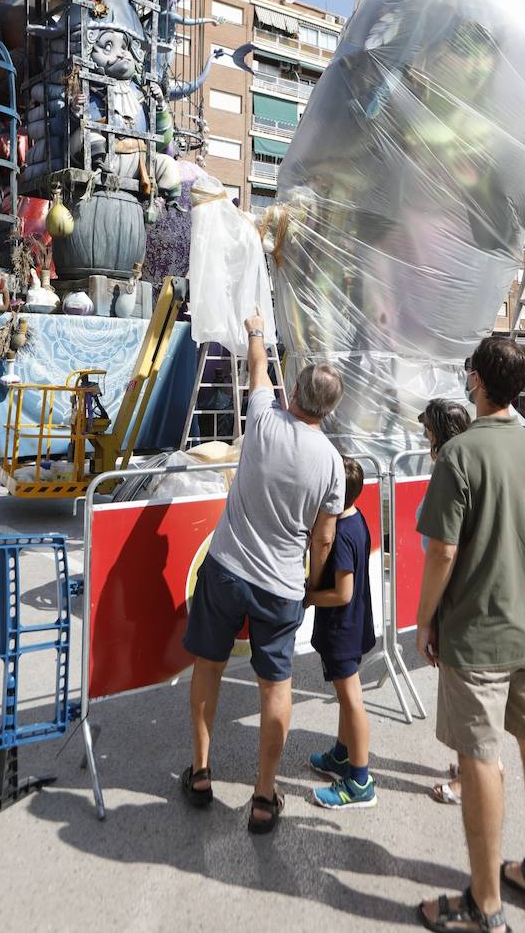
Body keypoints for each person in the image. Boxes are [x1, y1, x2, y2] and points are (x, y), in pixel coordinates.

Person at [416, 336, 525, 932]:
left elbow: (442, 552)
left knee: (479, 755)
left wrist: (425, 618)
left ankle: (485, 903)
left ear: (475, 380)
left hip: (479, 633)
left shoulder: (459, 455)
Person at [181, 309, 345, 836]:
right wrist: (315, 583)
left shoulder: (265, 420)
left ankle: (202, 771)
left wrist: (257, 330)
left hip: (227, 567)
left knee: (208, 667)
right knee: (275, 688)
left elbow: (256, 368)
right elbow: (324, 535)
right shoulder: (333, 462)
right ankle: (263, 793)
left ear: (292, 393)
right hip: (280, 584)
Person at [307, 457, 377, 809]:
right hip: (354, 624)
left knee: (352, 701)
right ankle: (341, 754)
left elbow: (343, 592)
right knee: (346, 698)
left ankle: (360, 781)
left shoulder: (341, 536)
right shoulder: (356, 518)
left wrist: (309, 596)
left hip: (342, 628)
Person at [416, 399, 477, 806]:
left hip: (455, 597)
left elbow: (443, 550)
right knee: (466, 694)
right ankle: (474, 765)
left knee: (463, 697)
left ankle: (472, 777)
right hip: (466, 592)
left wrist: (427, 617)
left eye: (427, 431)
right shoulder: (470, 463)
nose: (423, 437)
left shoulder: (450, 469)